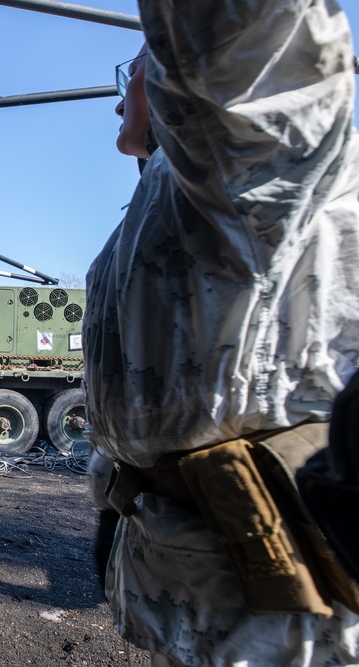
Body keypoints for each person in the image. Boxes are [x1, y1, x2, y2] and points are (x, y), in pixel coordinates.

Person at [84, 2, 359, 665]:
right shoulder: (148, 208)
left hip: (278, 612)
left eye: (138, 71)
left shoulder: (251, 173)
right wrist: (111, 492)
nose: (119, 100)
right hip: (182, 586)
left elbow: (258, 41)